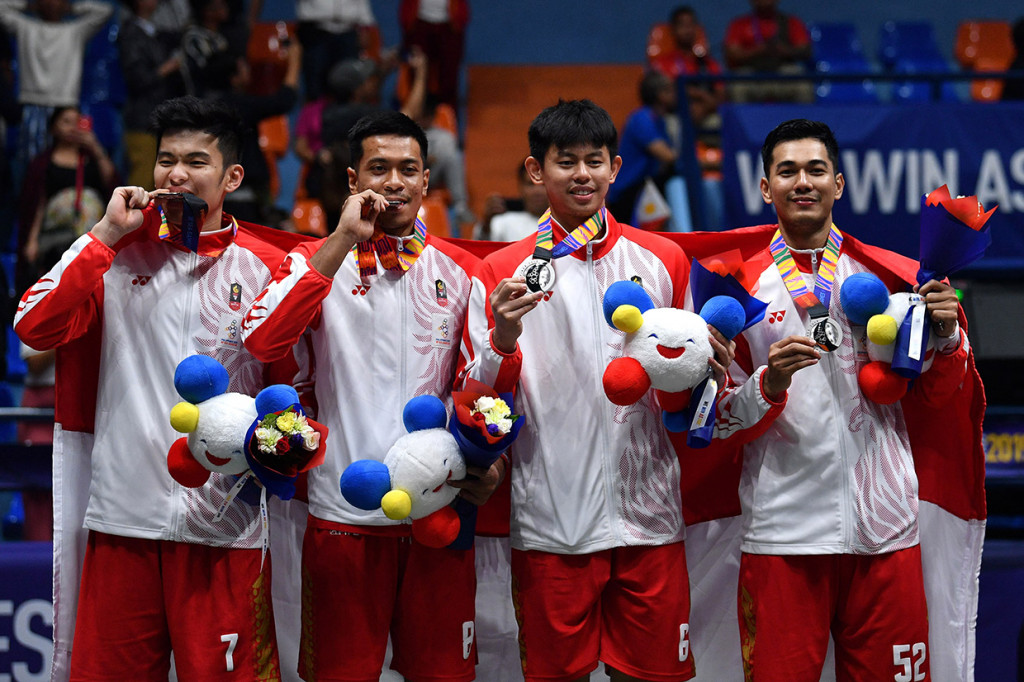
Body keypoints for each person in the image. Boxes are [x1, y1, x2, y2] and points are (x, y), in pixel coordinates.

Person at [14, 95, 311, 681]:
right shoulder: (115, 254)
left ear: (232, 176)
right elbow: (33, 325)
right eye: (166, 159)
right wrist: (102, 233)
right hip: (123, 519)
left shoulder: (268, 267)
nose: (176, 174)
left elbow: (292, 389)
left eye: (195, 161)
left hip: (223, 527)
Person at [461, 99, 740, 682]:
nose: (582, 174)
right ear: (537, 171)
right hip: (551, 520)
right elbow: (477, 399)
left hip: (650, 519)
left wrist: (713, 369)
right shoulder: (500, 272)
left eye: (595, 161)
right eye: (566, 162)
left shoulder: (662, 258)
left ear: (616, 167)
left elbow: (688, 381)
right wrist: (504, 336)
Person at [241, 110, 494, 682]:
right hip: (341, 515)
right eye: (378, 169)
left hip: (436, 514)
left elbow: (480, 388)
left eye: (408, 169)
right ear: (354, 180)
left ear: (428, 181)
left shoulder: (462, 272)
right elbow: (262, 340)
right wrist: (340, 242)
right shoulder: (311, 262)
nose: (394, 182)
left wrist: (485, 465)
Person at [715, 119, 971, 680]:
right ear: (765, 188)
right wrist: (767, 385)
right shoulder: (737, 290)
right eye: (787, 171)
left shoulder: (889, 275)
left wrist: (948, 337)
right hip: (784, 533)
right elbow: (714, 419)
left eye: (814, 170)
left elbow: (939, 393)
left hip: (884, 533)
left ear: (839, 183)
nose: (801, 182)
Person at [0, 0, 113, 185]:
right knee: (29, 172)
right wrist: (30, 5)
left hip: (66, 109)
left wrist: (71, 7)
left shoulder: (75, 30)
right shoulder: (25, 26)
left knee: (68, 166)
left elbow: (105, 11)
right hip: (32, 108)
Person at [17, 106, 118, 290]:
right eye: (66, 122)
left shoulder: (92, 158)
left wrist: (95, 147)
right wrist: (31, 241)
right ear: (53, 127)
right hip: (54, 238)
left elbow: (111, 182)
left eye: (76, 122)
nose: (72, 127)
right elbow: (37, 205)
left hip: (89, 236)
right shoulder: (42, 163)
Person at [118, 0, 185, 188]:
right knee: (143, 178)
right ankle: (129, 216)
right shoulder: (132, 33)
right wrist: (166, 68)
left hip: (154, 118)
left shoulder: (152, 32)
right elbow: (137, 78)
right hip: (141, 120)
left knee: (153, 177)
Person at [606, 71, 679, 227]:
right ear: (661, 95)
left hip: (645, 188)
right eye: (672, 90)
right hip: (627, 193)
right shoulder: (642, 118)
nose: (677, 95)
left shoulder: (660, 120)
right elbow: (668, 156)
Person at [650, 5, 726, 136]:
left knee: (725, 125)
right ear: (673, 30)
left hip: (706, 115)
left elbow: (722, 97)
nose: (687, 30)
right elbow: (664, 98)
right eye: (682, 25)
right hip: (674, 116)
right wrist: (696, 95)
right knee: (668, 127)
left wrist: (703, 108)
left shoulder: (709, 64)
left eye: (691, 25)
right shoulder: (661, 65)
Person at [722, 0, 814, 104]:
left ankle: (803, 119)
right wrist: (759, 50)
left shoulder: (791, 22)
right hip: (753, 73)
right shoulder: (739, 24)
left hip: (782, 72)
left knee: (803, 84)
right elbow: (732, 54)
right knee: (738, 86)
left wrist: (783, 50)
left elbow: (805, 50)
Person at [476, 160, 549, 242]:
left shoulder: (564, 223)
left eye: (543, 184)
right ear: (521, 187)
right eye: (530, 184)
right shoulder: (502, 222)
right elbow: (480, 250)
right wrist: (486, 224)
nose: (537, 191)